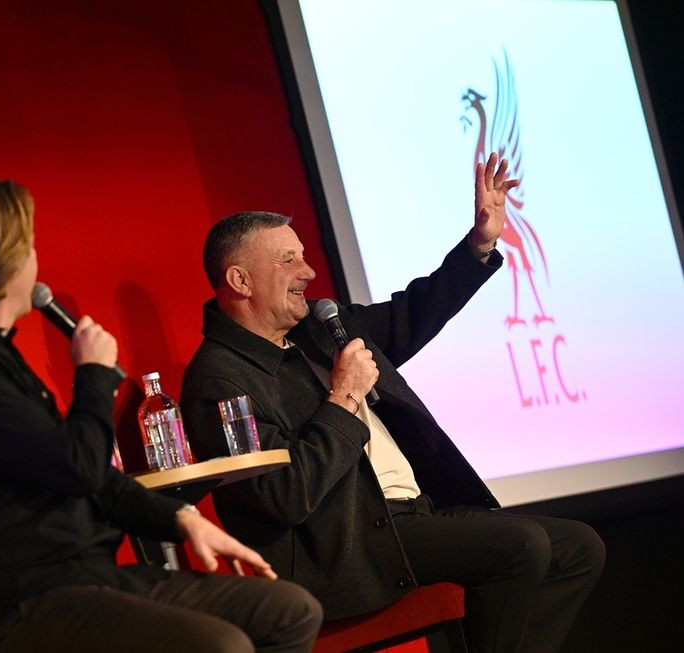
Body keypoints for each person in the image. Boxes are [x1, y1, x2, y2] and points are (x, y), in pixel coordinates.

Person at [179, 154, 605, 653]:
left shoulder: (317, 331)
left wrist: (480, 244)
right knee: (520, 547)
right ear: (240, 281)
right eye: (287, 261)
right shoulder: (219, 378)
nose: (309, 271)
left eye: (302, 257)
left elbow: (412, 312)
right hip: (348, 543)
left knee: (578, 548)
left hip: (415, 513)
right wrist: (344, 397)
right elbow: (285, 495)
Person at [0, 178, 322, 653]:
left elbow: (93, 475)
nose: (36, 263)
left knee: (290, 611)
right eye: (28, 246)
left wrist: (184, 519)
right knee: (219, 646)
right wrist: (93, 376)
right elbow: (77, 465)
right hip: (21, 604)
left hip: (88, 579)